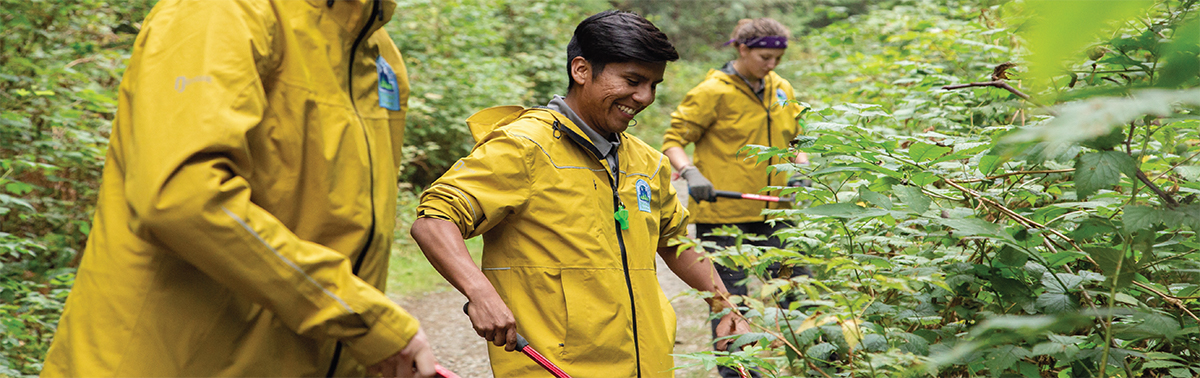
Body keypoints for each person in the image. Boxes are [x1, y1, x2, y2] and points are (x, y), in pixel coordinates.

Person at [41, 1, 437, 377]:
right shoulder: (222, 12)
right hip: (168, 361)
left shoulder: (377, 53)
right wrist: (361, 316)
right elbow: (184, 196)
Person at [411, 10, 747, 377]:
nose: (644, 96)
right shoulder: (524, 147)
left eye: (654, 85)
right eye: (633, 80)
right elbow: (434, 220)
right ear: (581, 70)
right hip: (553, 367)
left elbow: (676, 241)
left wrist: (724, 303)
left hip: (648, 365)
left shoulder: (648, 162)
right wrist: (480, 292)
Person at [660, 17, 808, 378]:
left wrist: (801, 168)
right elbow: (673, 142)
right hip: (723, 216)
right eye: (764, 58)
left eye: (778, 58)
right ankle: (740, 373)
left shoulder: (781, 88)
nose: (771, 66)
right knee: (732, 306)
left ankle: (814, 366)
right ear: (742, 49)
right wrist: (691, 173)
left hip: (778, 214)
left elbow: (797, 140)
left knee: (800, 297)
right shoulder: (713, 91)